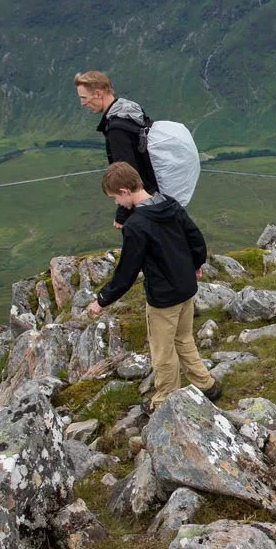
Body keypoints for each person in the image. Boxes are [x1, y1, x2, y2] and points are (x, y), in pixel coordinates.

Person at [87, 162, 222, 410]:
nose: (116, 204)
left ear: (125, 191)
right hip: (185, 286)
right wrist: (196, 263)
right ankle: (207, 385)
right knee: (184, 339)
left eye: (115, 198)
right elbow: (195, 237)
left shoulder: (136, 225)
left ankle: (165, 401)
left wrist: (101, 300)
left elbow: (127, 271)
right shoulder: (168, 203)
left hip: (163, 297)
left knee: (162, 351)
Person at [74, 70, 160, 230]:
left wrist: (122, 215)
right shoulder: (129, 111)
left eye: (84, 98)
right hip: (154, 193)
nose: (82, 103)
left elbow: (127, 175)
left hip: (142, 202)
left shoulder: (117, 130)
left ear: (98, 93)